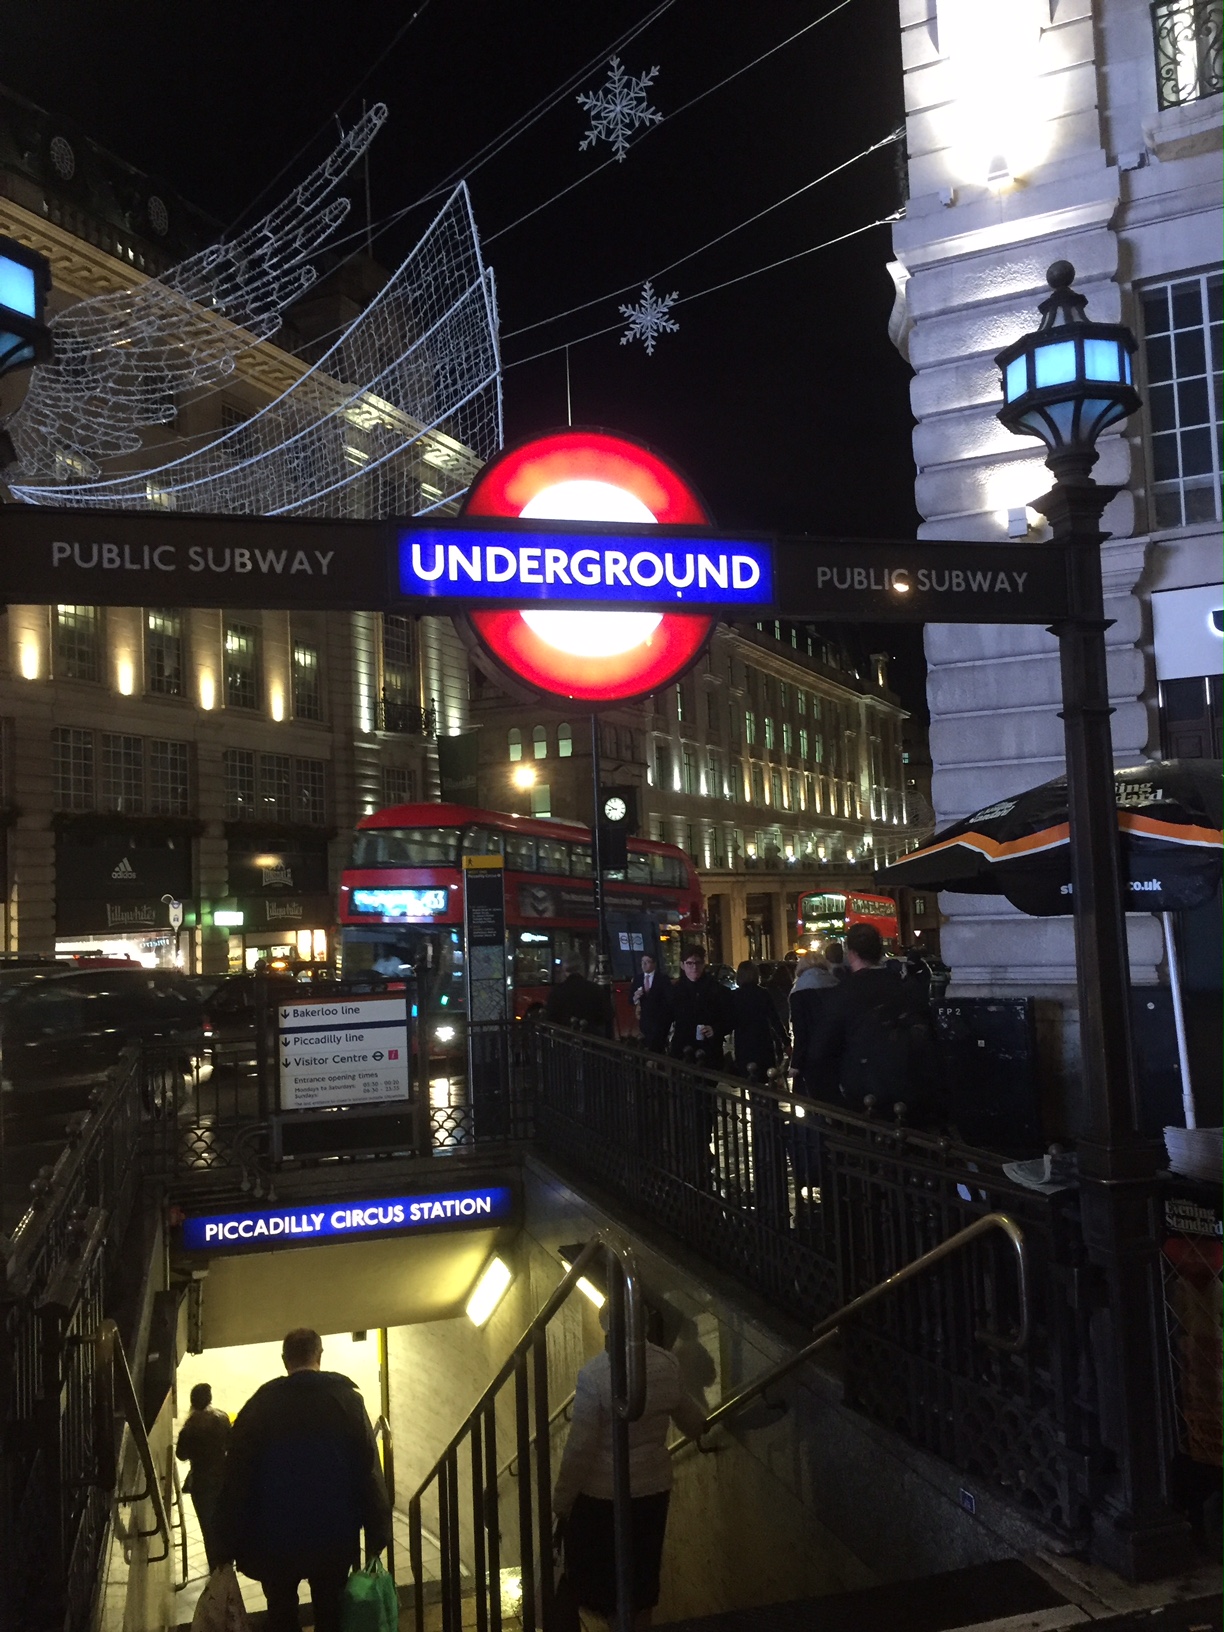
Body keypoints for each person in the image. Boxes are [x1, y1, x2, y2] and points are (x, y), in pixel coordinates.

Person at [213, 1327, 391, 1632]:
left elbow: (236, 1479)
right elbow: (368, 1470)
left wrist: (225, 1544)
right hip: (334, 1533)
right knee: (331, 1611)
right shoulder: (348, 1401)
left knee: (281, 1614)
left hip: (276, 1538)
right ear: (319, 1355)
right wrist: (378, 1533)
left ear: (285, 1360)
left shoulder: (259, 1406)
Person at [554, 1308, 707, 1629]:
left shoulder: (594, 1375)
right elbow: (692, 1420)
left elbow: (580, 1449)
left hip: (602, 1498)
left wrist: (563, 1501)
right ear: (645, 1325)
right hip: (652, 1493)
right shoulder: (667, 1364)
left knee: (608, 1585)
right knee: (641, 1583)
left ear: (606, 1329)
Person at [805, 923, 939, 1123]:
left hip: (862, 1097)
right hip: (909, 1093)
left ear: (850, 953)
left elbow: (820, 1052)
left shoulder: (842, 993)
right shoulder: (904, 986)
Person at [175, 1382, 231, 1572]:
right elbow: (231, 1442)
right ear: (209, 1399)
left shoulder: (189, 1427)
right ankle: (227, 1560)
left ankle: (215, 1567)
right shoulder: (221, 1418)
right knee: (224, 1521)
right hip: (223, 1478)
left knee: (208, 1527)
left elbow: (181, 1454)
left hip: (201, 1483)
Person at [789, 953, 841, 1102]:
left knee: (813, 1101)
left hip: (811, 1058)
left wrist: (796, 1063)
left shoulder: (799, 993)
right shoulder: (836, 986)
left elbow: (801, 1031)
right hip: (836, 1053)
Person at [667, 947, 733, 1064]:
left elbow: (730, 1018)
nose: (694, 967)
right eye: (689, 963)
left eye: (698, 963)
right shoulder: (675, 990)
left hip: (709, 1049)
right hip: (682, 1047)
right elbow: (665, 1018)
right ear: (682, 965)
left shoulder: (717, 989)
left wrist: (716, 1029)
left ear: (703, 964)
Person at [728, 962, 787, 1078]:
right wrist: (785, 1041)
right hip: (763, 1041)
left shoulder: (734, 996)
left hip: (743, 1042)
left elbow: (730, 1020)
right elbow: (775, 1019)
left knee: (748, 1075)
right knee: (766, 1076)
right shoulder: (763, 993)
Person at [545, 954, 613, 1037]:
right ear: (582, 968)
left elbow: (550, 1017)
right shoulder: (594, 989)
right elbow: (607, 1014)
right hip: (591, 1039)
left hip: (565, 1039)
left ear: (564, 969)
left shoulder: (557, 991)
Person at [632, 953, 673, 1052]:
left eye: (647, 962)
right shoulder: (637, 979)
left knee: (657, 1046)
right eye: (642, 962)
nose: (644, 964)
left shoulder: (663, 979)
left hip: (659, 1020)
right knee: (646, 1044)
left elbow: (669, 998)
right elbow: (630, 999)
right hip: (644, 1020)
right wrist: (635, 997)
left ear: (654, 964)